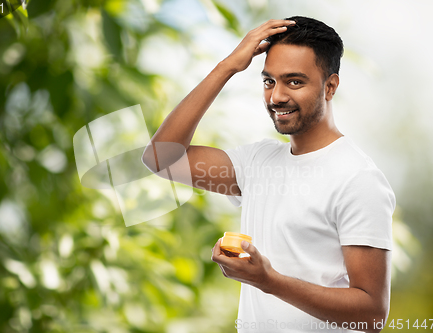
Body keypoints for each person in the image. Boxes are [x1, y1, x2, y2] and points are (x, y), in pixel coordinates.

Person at [142, 16, 395, 333]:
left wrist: (268, 281)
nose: (276, 97)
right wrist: (227, 67)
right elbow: (160, 158)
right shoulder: (258, 162)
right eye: (268, 81)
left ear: (330, 86)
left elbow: (371, 315)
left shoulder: (359, 179)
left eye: (294, 82)